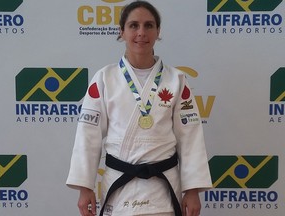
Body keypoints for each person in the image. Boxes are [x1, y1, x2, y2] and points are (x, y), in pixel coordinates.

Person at [66, 1, 212, 216]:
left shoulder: (177, 80)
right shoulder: (104, 79)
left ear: (158, 31)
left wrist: (192, 190)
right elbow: (88, 135)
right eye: (134, 25)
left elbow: (190, 137)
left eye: (149, 25)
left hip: (162, 189)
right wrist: (85, 187)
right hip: (119, 188)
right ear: (121, 31)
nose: (141, 32)